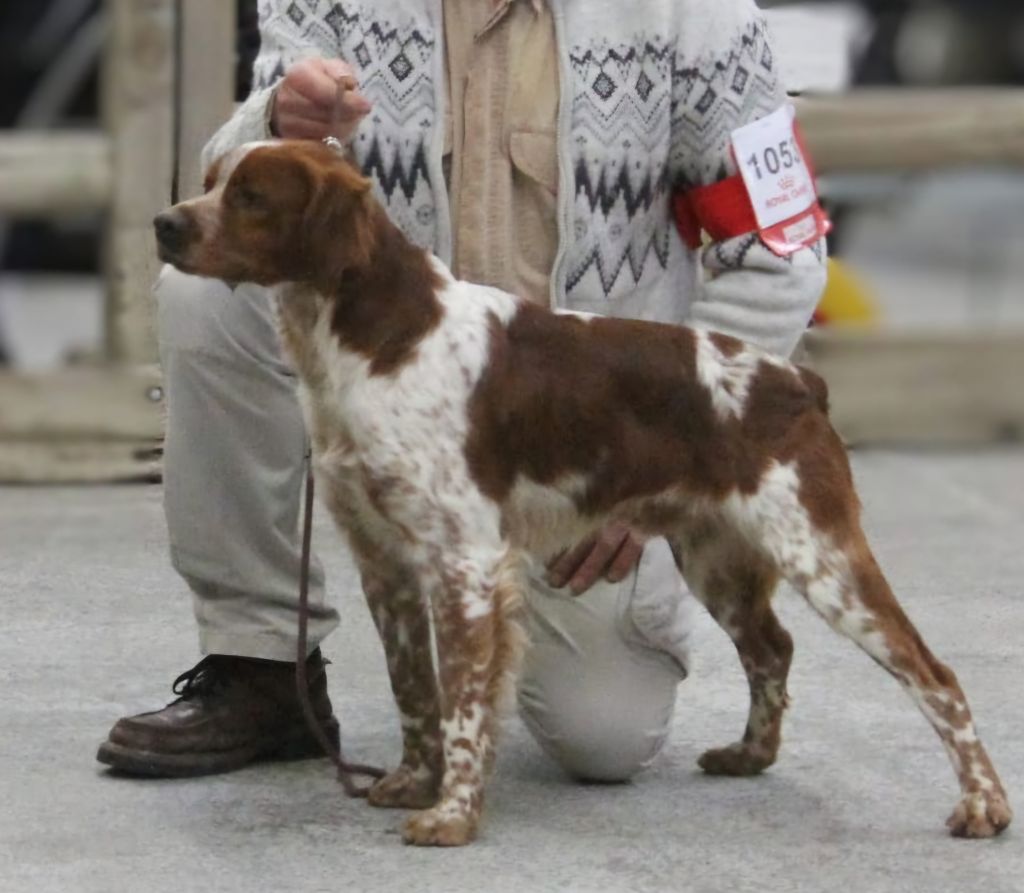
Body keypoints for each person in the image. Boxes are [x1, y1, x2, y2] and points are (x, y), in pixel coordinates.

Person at [97, 0, 826, 783]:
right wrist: (276, 112)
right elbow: (235, 172)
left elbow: (781, 256)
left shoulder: (705, 18)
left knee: (605, 737)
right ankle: (260, 661)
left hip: (595, 439)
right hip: (389, 384)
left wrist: (663, 455)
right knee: (200, 296)